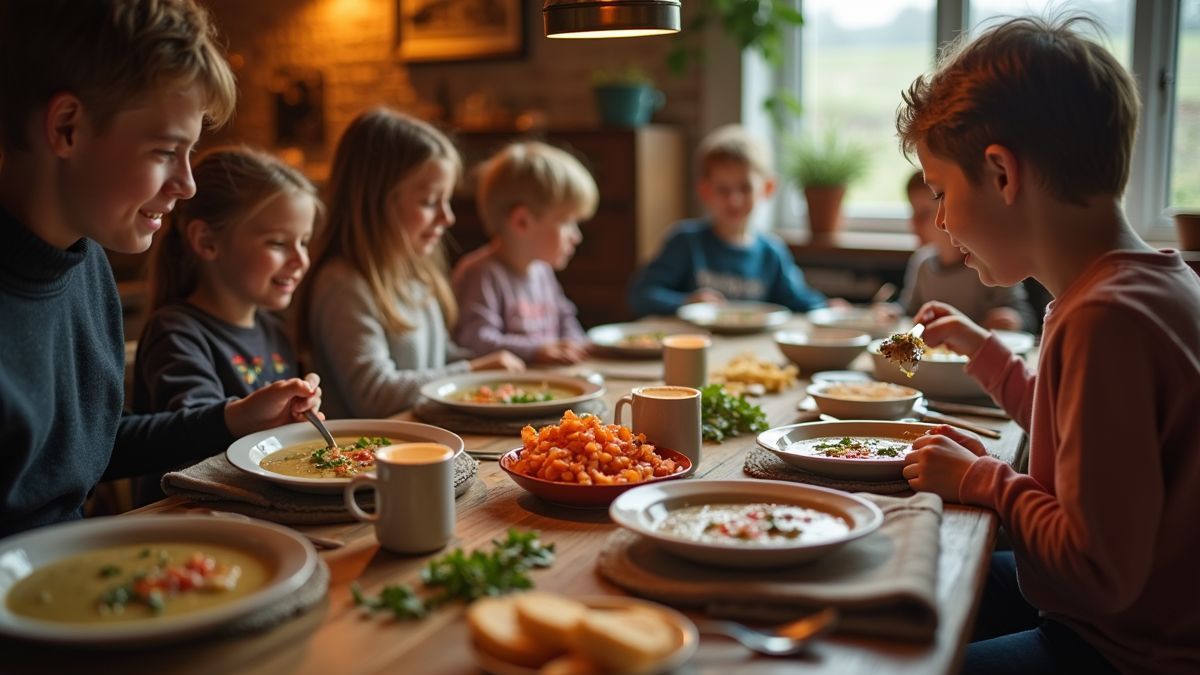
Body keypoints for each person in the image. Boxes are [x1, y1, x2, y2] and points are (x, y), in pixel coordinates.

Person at [895, 15, 1200, 674]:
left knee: (893, 643)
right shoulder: (1135, 286)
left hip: (1125, 648)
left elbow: (1098, 570)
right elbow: (1083, 445)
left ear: (1002, 174)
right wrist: (988, 353)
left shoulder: (1108, 319)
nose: (941, 220)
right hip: (1120, 617)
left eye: (943, 192)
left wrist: (985, 480)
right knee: (901, 589)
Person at [0, 0, 322, 537]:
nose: (187, 184)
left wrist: (231, 419)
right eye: (165, 151)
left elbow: (94, 446)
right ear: (67, 127)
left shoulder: (87, 266)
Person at [299, 108, 523, 419]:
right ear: (377, 200)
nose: (448, 217)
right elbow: (374, 394)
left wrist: (494, 367)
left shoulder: (416, 275)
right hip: (367, 457)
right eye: (430, 202)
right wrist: (471, 371)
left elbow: (440, 360)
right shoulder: (343, 284)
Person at [130, 147, 321, 503]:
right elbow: (195, 443)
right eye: (279, 243)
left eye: (304, 242)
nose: (300, 260)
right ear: (207, 241)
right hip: (188, 518)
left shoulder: (274, 330)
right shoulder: (176, 332)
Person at [627, 124, 827, 317]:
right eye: (723, 190)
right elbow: (641, 296)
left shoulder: (771, 253)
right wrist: (686, 303)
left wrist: (827, 306)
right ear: (705, 191)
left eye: (745, 188)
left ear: (767, 188)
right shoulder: (685, 242)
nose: (734, 200)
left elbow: (798, 300)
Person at [451, 141, 596, 365]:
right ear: (522, 221)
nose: (576, 236)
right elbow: (474, 341)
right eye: (567, 222)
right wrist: (536, 350)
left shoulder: (542, 271)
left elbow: (565, 318)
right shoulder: (481, 274)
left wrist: (574, 344)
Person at [899, 170, 1034, 331]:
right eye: (913, 212)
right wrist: (894, 312)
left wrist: (1013, 319)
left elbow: (1026, 317)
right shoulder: (922, 263)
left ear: (947, 214)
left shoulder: (988, 262)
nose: (914, 222)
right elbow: (909, 311)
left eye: (924, 213)